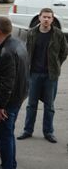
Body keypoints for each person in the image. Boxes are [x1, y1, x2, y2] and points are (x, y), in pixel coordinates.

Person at [18, 8, 68, 143]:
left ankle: (48, 132)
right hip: (34, 74)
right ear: (39, 18)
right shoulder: (32, 33)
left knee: (49, 106)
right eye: (44, 17)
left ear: (52, 19)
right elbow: (27, 51)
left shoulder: (58, 34)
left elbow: (64, 52)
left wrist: (56, 64)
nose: (46, 19)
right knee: (31, 104)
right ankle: (28, 130)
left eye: (49, 17)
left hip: (50, 75)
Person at [0, 17, 29, 169]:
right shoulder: (17, 43)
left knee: (5, 137)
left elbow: (7, 82)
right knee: (7, 135)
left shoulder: (6, 51)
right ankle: (10, 168)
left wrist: (0, 106)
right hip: (18, 97)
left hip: (9, 102)